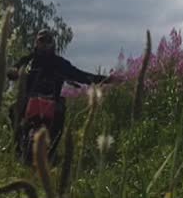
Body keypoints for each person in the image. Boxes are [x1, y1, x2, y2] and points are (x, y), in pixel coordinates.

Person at [7, 29, 113, 164]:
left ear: (53, 44)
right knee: (12, 111)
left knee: (59, 118)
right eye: (41, 41)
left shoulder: (60, 63)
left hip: (52, 102)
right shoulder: (28, 61)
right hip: (29, 100)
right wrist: (13, 72)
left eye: (48, 41)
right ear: (36, 43)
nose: (44, 44)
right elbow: (13, 69)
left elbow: (81, 75)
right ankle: (16, 146)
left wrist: (106, 80)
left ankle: (51, 153)